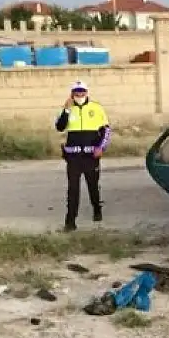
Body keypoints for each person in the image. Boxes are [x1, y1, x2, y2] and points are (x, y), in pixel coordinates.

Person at [55, 80, 112, 230]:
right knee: (73, 189)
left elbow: (106, 130)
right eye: (76, 92)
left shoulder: (97, 108)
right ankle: (70, 222)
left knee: (93, 186)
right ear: (72, 94)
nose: (79, 94)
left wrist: (101, 147)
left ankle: (97, 208)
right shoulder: (67, 109)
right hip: (73, 157)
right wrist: (66, 111)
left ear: (87, 93)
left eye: (82, 92)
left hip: (91, 156)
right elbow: (60, 127)